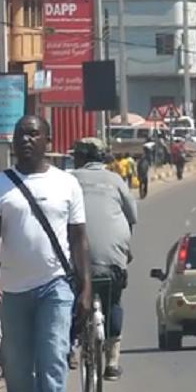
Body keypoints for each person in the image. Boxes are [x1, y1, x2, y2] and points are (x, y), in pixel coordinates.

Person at [0, 115, 91, 392]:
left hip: (55, 286)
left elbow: (78, 240)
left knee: (53, 358)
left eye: (33, 134)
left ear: (48, 139)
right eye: (20, 135)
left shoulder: (67, 183)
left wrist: (85, 287)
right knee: (17, 366)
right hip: (13, 290)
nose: (26, 140)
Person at [71, 139, 137, 379]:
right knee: (113, 303)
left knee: (68, 298)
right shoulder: (115, 180)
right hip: (112, 262)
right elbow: (133, 216)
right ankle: (112, 362)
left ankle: (71, 349)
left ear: (80, 158)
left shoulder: (68, 180)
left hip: (76, 263)